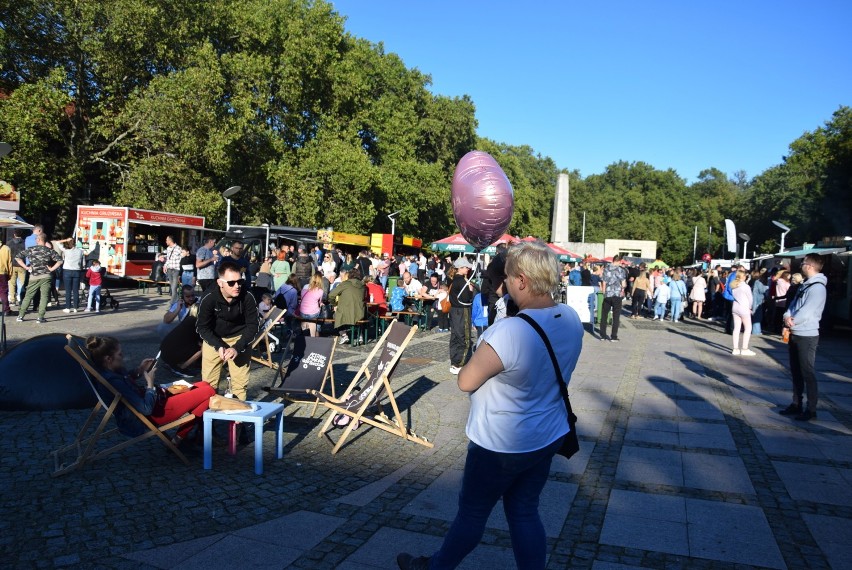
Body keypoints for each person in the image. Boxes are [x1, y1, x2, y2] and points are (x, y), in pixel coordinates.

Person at [396, 240, 583, 570]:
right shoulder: (569, 317)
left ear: (522, 280)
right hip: (544, 435)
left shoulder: (509, 331)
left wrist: (493, 329)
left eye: (508, 278)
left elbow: (466, 380)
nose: (504, 285)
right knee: (525, 511)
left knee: (472, 515)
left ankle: (434, 568)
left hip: (500, 443)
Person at [86, 335, 215, 445]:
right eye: (120, 354)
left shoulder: (111, 371)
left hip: (156, 402)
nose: (123, 356)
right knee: (208, 392)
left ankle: (179, 439)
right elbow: (145, 408)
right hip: (152, 413)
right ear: (108, 359)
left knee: (204, 385)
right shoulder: (112, 380)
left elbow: (126, 380)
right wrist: (150, 384)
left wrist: (140, 370)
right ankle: (180, 439)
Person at [195, 261, 259, 401]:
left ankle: (237, 420)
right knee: (207, 384)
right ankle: (205, 420)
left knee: (239, 384)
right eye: (231, 283)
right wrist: (218, 346)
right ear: (220, 283)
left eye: (239, 281)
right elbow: (202, 327)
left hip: (239, 337)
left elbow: (253, 326)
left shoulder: (247, 296)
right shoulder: (209, 298)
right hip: (214, 338)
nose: (237, 286)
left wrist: (238, 347)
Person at [780, 254, 827, 421]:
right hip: (795, 332)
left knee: (807, 371)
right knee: (795, 371)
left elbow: (808, 310)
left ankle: (811, 408)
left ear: (810, 266)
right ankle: (796, 403)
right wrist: (787, 316)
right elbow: (793, 304)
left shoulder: (818, 288)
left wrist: (793, 321)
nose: (801, 265)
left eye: (803, 262)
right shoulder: (804, 285)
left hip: (807, 334)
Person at [15, 232, 62, 323]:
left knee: (28, 296)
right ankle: (40, 317)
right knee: (44, 297)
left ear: (39, 240)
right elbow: (60, 261)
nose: (36, 240)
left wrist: (26, 267)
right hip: (46, 276)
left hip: (34, 276)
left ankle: (20, 316)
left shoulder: (31, 249)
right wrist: (52, 269)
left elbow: (17, 257)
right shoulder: (49, 250)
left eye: (37, 239)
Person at [448, 257, 478, 375]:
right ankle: (460, 363)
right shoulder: (462, 281)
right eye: (466, 267)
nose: (468, 269)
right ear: (460, 268)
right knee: (465, 338)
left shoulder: (452, 279)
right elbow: (465, 299)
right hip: (462, 311)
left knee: (455, 336)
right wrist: (470, 291)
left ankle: (454, 362)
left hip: (454, 310)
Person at [328, 268, 366, 345]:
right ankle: (360, 335)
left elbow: (331, 295)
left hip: (345, 312)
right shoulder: (363, 286)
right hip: (360, 312)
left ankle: (344, 335)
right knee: (363, 315)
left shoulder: (345, 284)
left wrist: (334, 304)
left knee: (335, 315)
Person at [599, 255, 627, 341]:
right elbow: (623, 283)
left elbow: (604, 282)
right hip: (617, 295)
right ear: (618, 261)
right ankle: (613, 336)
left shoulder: (606, 269)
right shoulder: (621, 270)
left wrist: (604, 292)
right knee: (616, 316)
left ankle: (603, 335)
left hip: (608, 294)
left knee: (604, 315)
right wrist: (623, 288)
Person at [730, 268, 755, 356]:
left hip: (735, 307)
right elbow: (750, 299)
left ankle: (735, 348)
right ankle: (744, 348)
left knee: (736, 328)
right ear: (743, 277)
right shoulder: (746, 286)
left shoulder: (734, 286)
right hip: (744, 308)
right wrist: (750, 307)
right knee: (748, 328)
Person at [60, 240, 86, 313]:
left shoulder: (66, 251)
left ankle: (68, 307)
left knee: (68, 291)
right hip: (77, 271)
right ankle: (75, 307)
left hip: (67, 271)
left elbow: (57, 243)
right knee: (75, 290)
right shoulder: (81, 251)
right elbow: (83, 263)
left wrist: (65, 240)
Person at [298, 273, 325, 337]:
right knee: (314, 320)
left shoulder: (305, 286)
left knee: (305, 320)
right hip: (313, 313)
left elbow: (302, 298)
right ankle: (314, 336)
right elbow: (319, 302)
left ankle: (304, 336)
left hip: (302, 312)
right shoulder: (320, 290)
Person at [163, 235, 182, 305]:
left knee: (174, 287)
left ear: (170, 240)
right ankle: (176, 300)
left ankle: (172, 302)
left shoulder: (178, 249)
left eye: (166, 240)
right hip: (169, 269)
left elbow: (181, 259)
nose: (166, 241)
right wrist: (165, 266)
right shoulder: (168, 249)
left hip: (176, 270)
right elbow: (168, 259)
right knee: (172, 286)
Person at [0, 236, 11, 316]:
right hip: (3, 272)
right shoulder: (6, 248)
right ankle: (6, 310)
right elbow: (9, 263)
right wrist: (10, 273)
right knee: (4, 292)